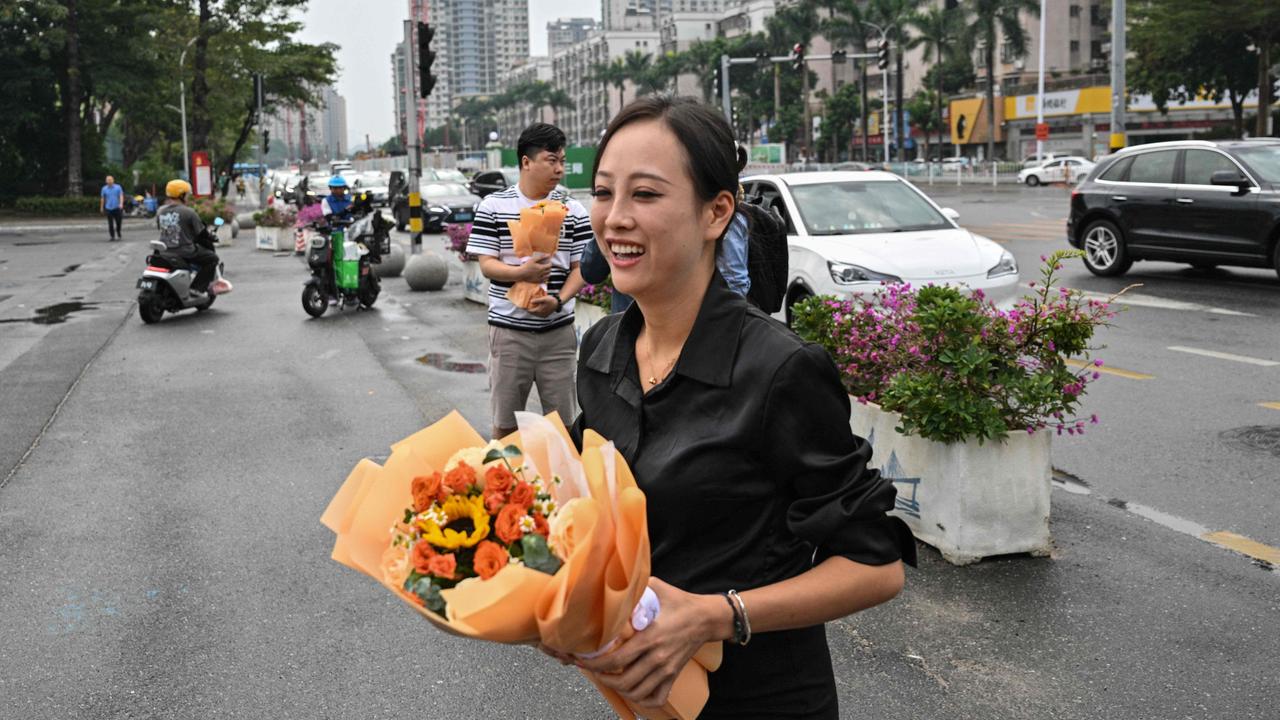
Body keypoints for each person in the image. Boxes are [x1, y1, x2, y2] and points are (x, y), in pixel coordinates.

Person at [563, 95, 915, 718]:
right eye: (603, 193)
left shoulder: (778, 369)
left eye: (645, 195)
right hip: (647, 697)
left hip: (765, 700)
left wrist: (715, 616)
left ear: (716, 212)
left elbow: (877, 565)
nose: (614, 218)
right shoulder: (602, 350)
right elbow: (581, 502)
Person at [466, 122, 593, 440]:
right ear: (526, 162)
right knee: (505, 428)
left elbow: (581, 268)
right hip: (509, 335)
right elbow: (486, 265)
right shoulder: (494, 207)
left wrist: (558, 301)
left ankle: (562, 490)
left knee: (564, 429)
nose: (560, 169)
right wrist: (522, 274)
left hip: (558, 335)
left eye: (562, 161)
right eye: (552, 160)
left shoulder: (572, 209)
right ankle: (508, 488)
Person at [155, 179, 220, 300]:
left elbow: (162, 228)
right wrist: (212, 237)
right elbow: (201, 233)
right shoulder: (189, 212)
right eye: (187, 194)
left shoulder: (161, 212)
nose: (189, 197)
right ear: (181, 195)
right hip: (184, 251)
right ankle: (197, 288)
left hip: (164, 251)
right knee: (212, 258)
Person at [100, 175, 125, 241]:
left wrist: (121, 204)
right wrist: (102, 207)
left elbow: (121, 196)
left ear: (113, 180)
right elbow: (103, 198)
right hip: (108, 208)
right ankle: (112, 236)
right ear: (106, 181)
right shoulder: (104, 188)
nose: (109, 181)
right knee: (110, 224)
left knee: (118, 222)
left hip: (117, 207)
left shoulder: (118, 187)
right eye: (108, 180)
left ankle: (118, 232)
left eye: (110, 180)